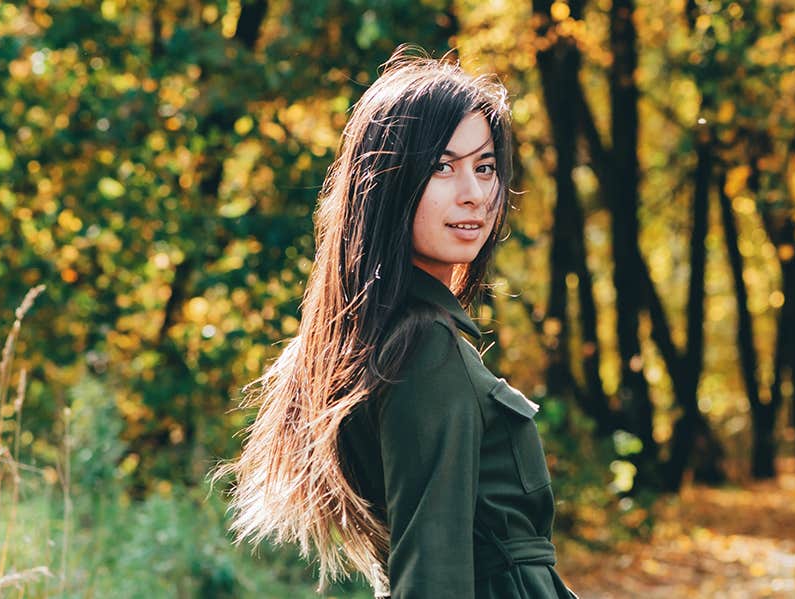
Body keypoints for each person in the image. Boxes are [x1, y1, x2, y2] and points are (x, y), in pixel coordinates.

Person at [215, 45, 578, 599]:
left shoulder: (392, 337)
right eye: (442, 167)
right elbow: (432, 572)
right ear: (385, 183)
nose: (475, 194)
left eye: (485, 168)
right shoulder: (424, 349)